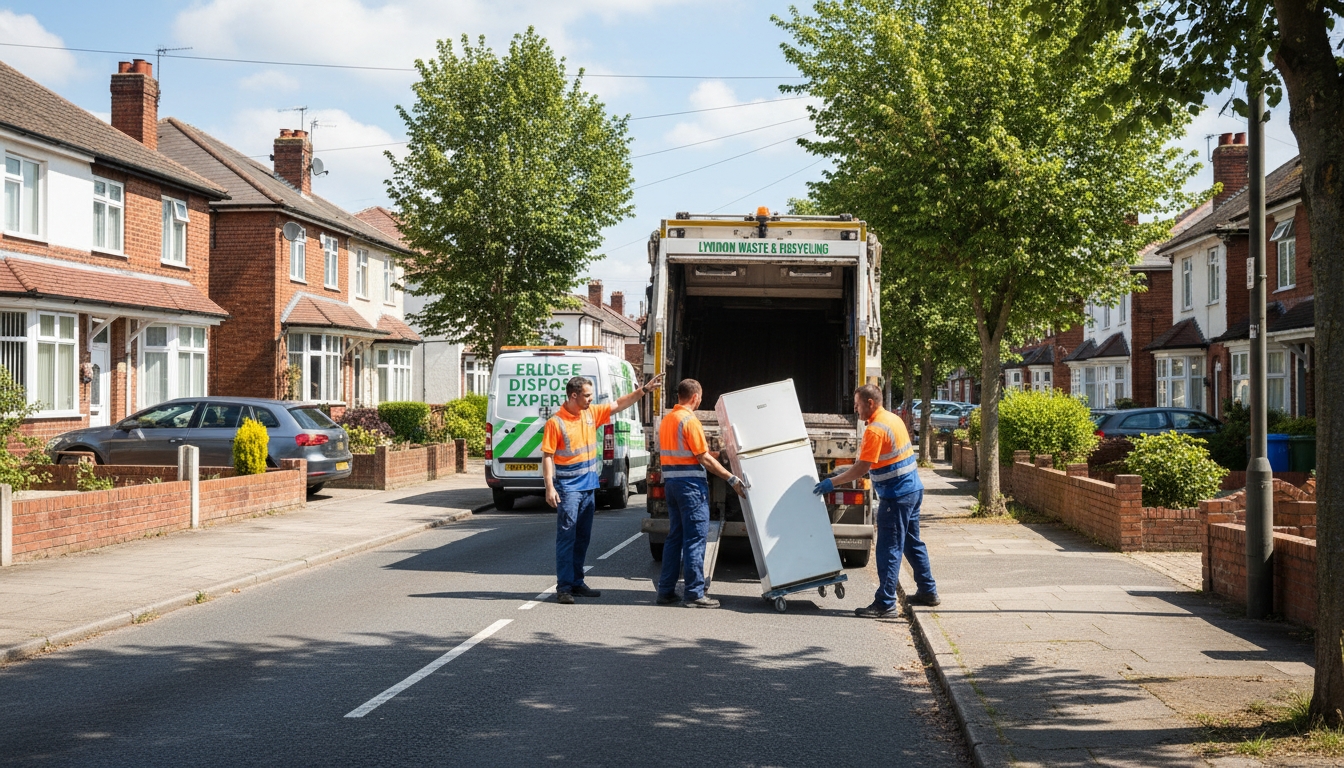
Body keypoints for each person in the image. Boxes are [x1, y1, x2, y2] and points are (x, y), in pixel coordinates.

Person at [813, 384, 938, 618]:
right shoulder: (893, 419)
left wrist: (833, 482)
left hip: (896, 495)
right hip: (912, 490)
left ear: (870, 403)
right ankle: (927, 591)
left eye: (857, 404)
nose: (855, 409)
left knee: (888, 548)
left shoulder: (875, 429)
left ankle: (885, 603)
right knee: (911, 543)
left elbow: (862, 468)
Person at [543, 373, 662, 605]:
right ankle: (564, 587)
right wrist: (549, 487)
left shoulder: (590, 413)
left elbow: (619, 404)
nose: (591, 399)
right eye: (587, 396)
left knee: (582, 538)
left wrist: (644, 391)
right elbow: (547, 456)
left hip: (588, 486)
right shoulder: (555, 422)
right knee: (567, 537)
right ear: (573, 395)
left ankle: (577, 582)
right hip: (568, 489)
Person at [655, 379, 748, 609]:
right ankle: (695, 593)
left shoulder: (668, 419)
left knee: (675, 537)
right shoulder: (690, 420)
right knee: (695, 538)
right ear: (695, 397)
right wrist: (731, 478)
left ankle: (665, 591)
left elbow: (681, 452)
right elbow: (702, 457)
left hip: (672, 485)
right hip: (690, 487)